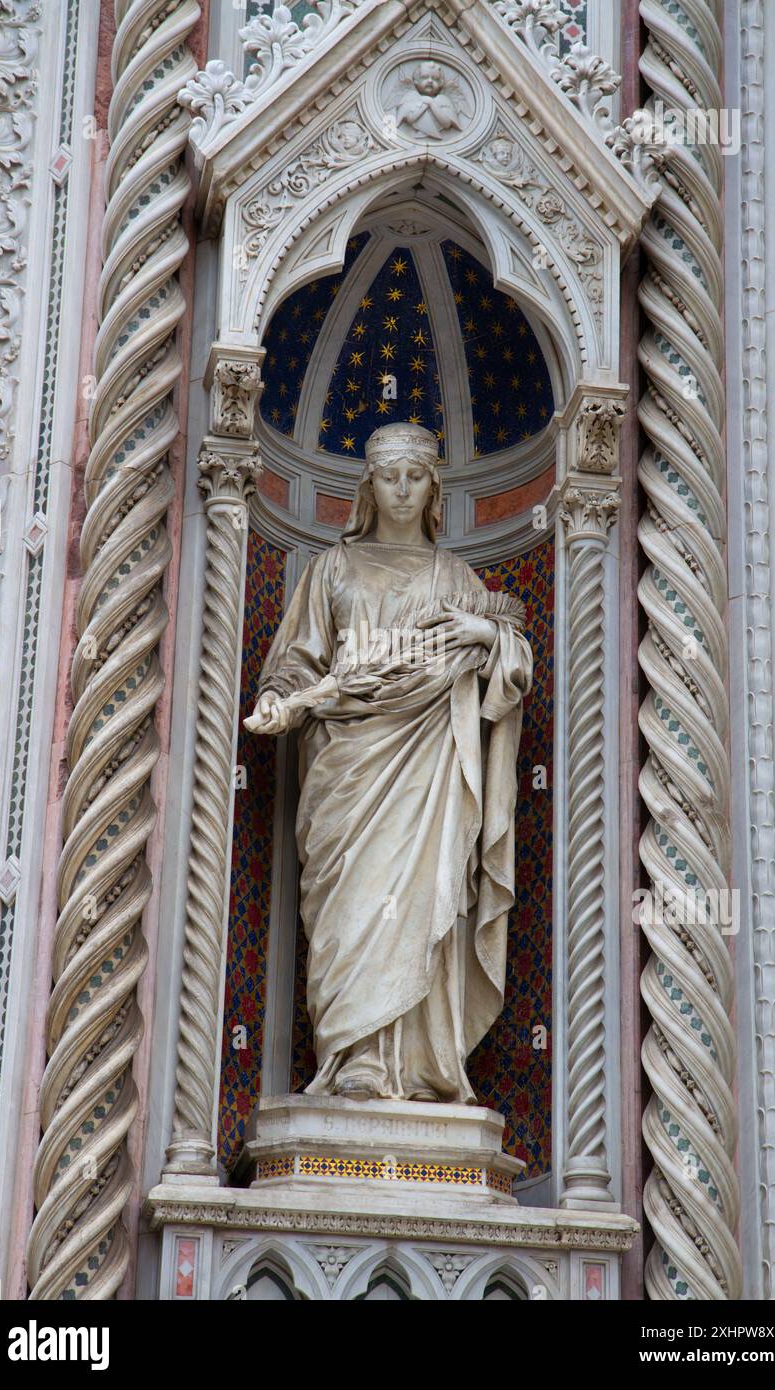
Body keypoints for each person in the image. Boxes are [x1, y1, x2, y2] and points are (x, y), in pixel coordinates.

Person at [249, 423, 533, 1102]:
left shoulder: (456, 577)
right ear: (368, 485)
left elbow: (511, 669)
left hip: (429, 769)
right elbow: (297, 661)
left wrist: (487, 634)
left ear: (434, 484)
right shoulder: (333, 569)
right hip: (348, 767)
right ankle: (353, 1058)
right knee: (350, 907)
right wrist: (277, 699)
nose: (402, 490)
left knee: (422, 897)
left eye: (415, 477)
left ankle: (420, 1065)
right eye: (389, 477)